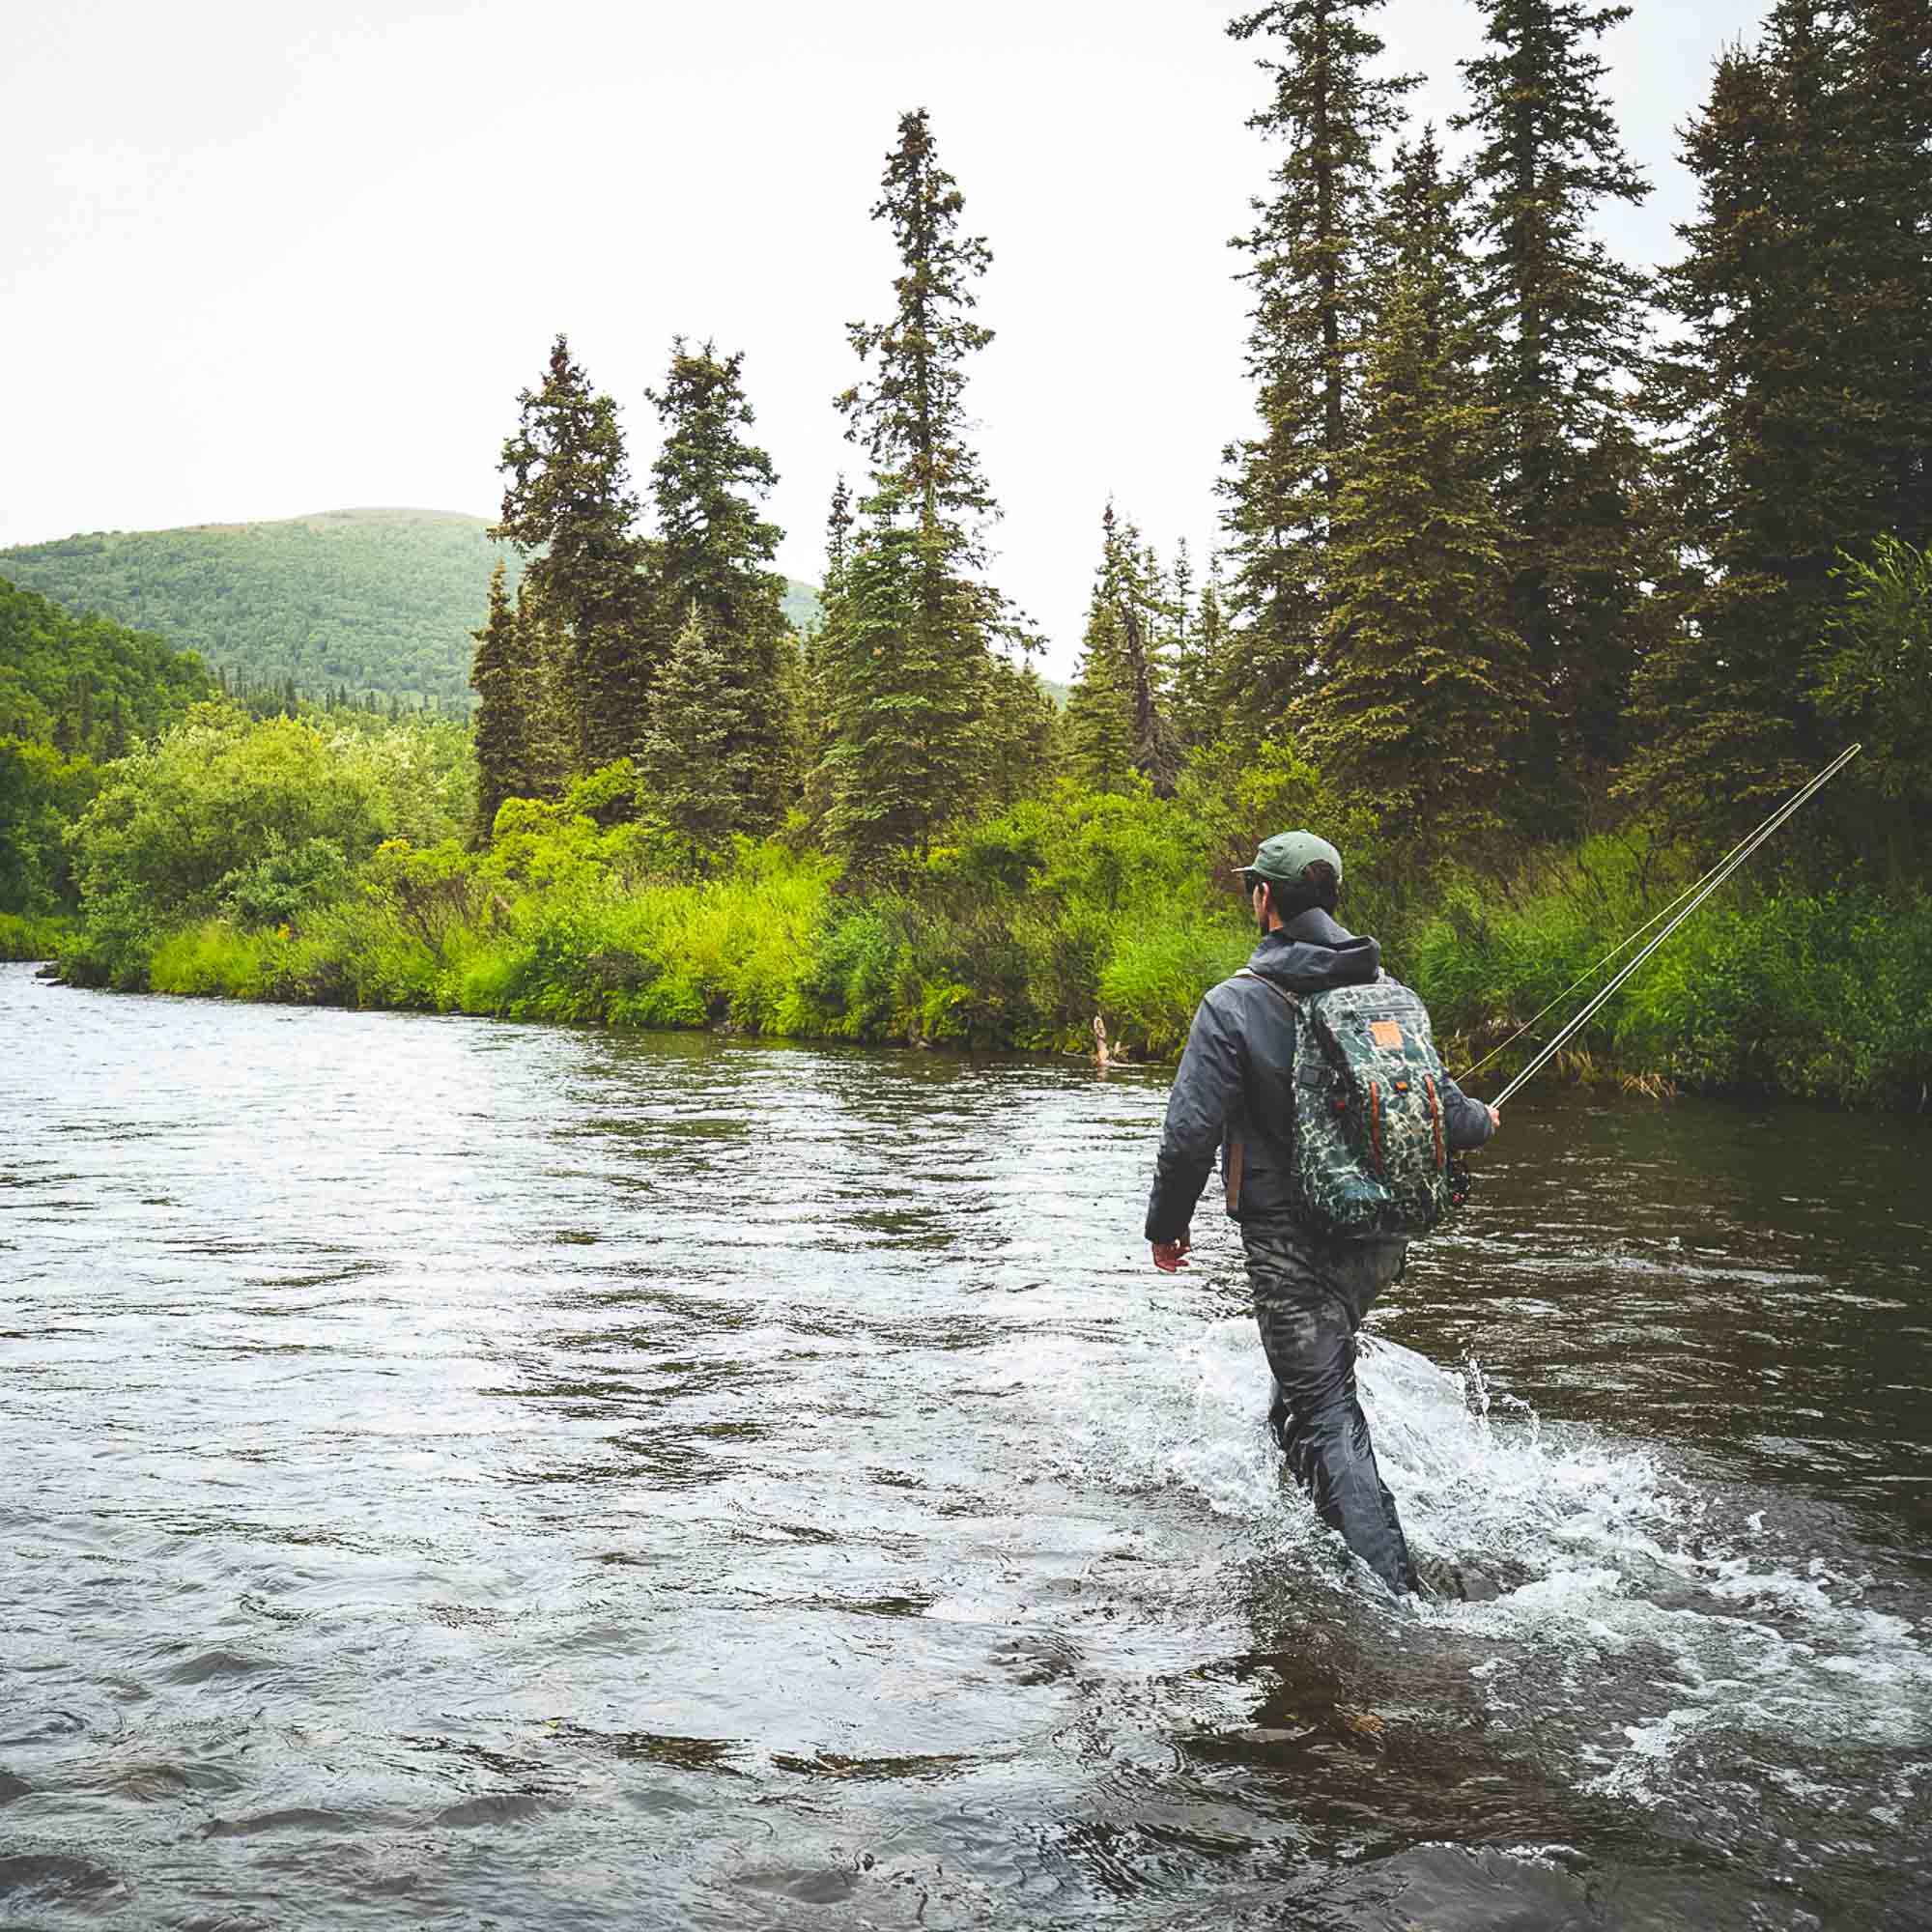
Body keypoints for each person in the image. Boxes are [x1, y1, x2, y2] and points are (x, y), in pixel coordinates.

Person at [1143, 830, 1498, 1596]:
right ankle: (1301, 1532)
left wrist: (1166, 1228)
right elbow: (1448, 1112)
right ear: (1334, 900)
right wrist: (1485, 1122)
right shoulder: (1388, 994)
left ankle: (1396, 1600)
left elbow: (1188, 1137)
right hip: (1376, 1242)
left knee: (1328, 1410)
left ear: (1264, 900)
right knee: (1307, 1391)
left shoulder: (1231, 1004)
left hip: (1289, 1244)